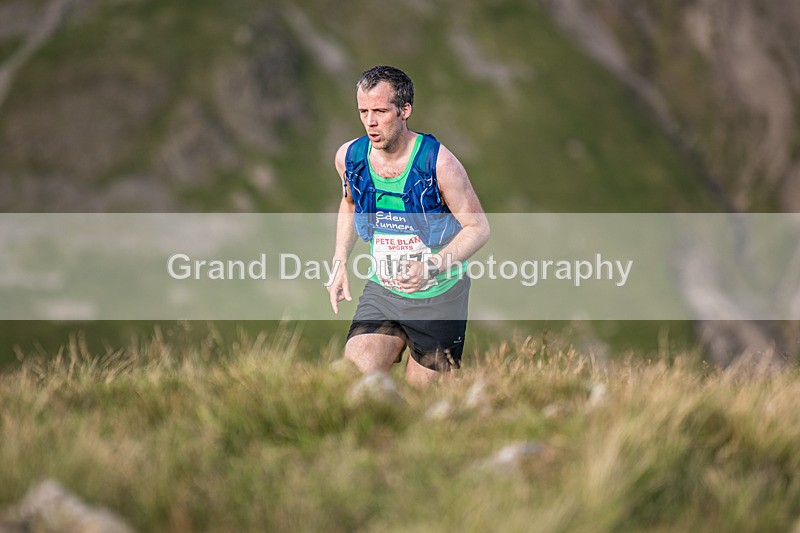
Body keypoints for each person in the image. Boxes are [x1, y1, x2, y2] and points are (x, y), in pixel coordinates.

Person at [327, 65, 489, 385]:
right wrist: (339, 261)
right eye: (363, 111)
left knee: (421, 403)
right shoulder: (350, 157)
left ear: (404, 110)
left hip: (440, 298)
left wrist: (431, 266)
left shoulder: (440, 163)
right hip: (383, 291)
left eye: (380, 111)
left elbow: (479, 228)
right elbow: (349, 202)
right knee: (350, 381)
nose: (370, 122)